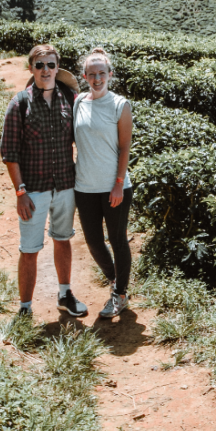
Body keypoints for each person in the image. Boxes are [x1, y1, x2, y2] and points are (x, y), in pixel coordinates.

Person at [0, 43, 88, 318]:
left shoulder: (70, 99)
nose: (46, 70)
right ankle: (25, 307)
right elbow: (9, 153)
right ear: (31, 69)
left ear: (57, 68)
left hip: (64, 184)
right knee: (29, 249)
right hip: (33, 190)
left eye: (51, 65)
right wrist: (20, 192)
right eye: (40, 65)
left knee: (63, 239)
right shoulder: (20, 103)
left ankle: (64, 293)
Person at [74, 48, 134, 318]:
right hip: (85, 186)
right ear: (84, 75)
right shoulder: (78, 102)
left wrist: (119, 183)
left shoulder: (120, 105)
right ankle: (115, 279)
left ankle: (120, 293)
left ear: (110, 75)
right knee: (94, 241)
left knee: (118, 239)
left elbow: (124, 148)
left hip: (114, 186)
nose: (97, 78)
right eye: (91, 73)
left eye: (102, 73)